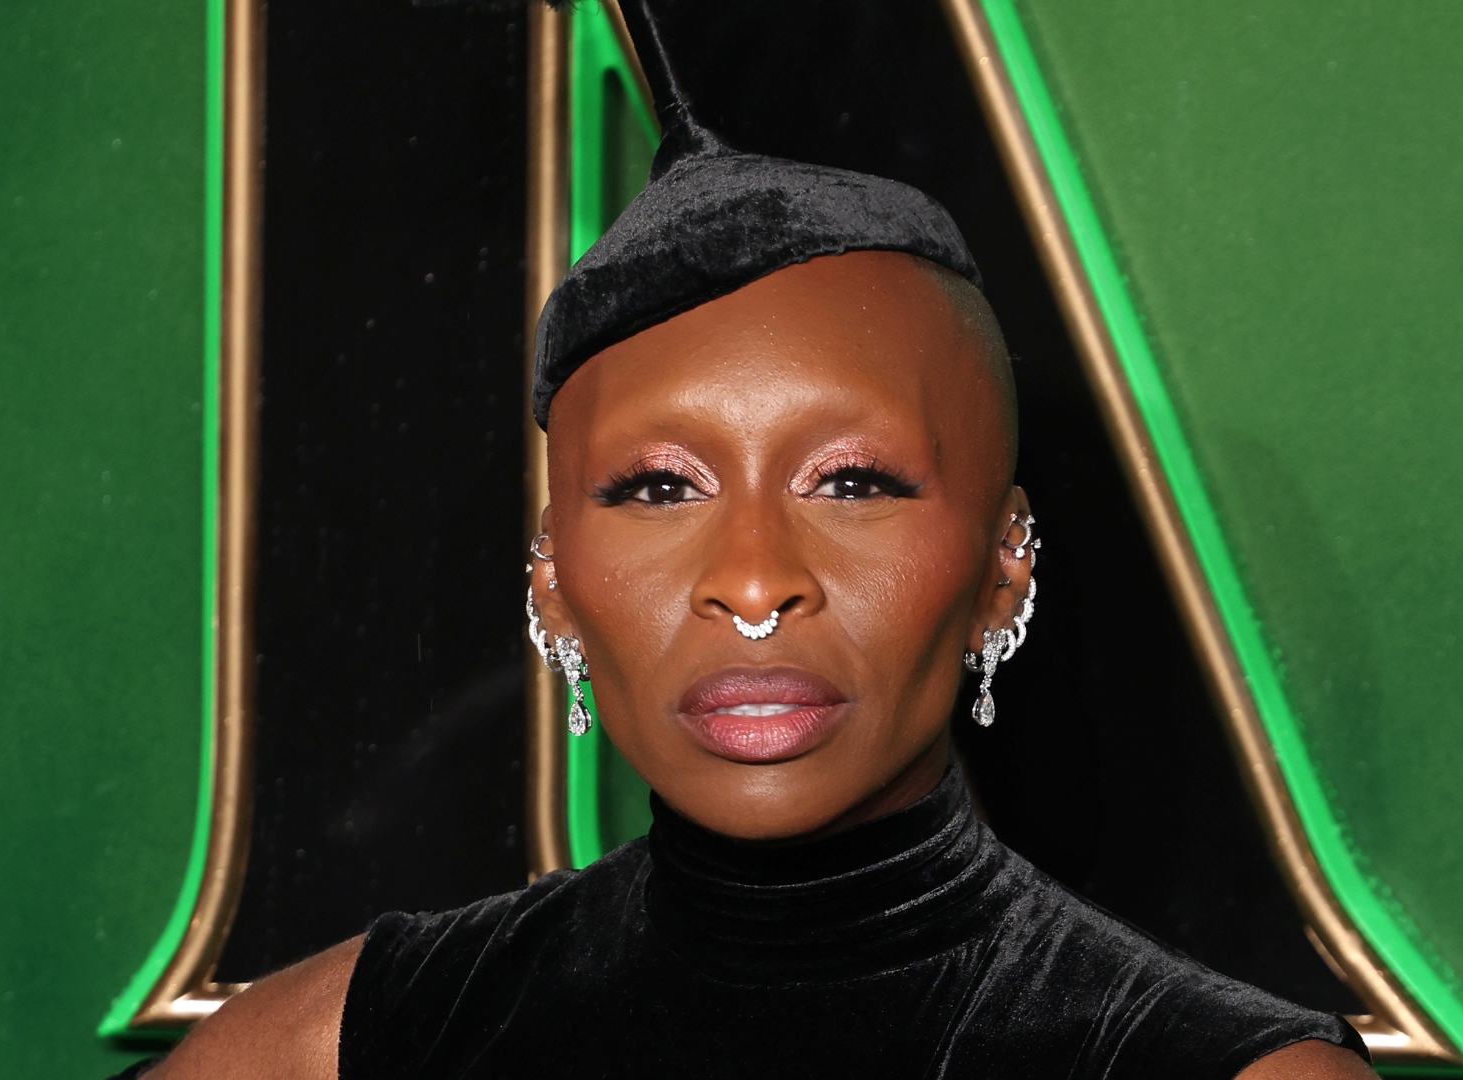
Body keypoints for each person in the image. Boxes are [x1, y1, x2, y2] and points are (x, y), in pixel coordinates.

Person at [119, 94, 1376, 1078]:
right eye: (660, 489)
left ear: (1005, 568)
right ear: (552, 586)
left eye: (855, 482)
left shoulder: (1219, 1069)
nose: (757, 583)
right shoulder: (347, 1046)